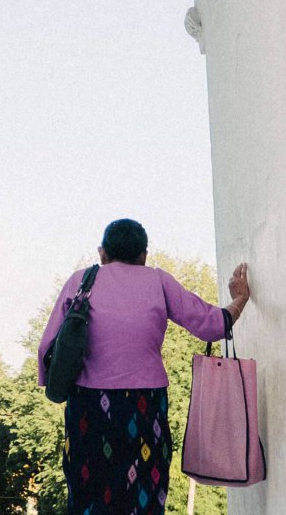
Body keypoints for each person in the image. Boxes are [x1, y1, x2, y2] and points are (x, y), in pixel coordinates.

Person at [35, 219, 250, 512]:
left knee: (89, 495)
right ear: (144, 255)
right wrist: (240, 297)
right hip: (145, 410)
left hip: (89, 410)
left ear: (102, 253)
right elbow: (213, 326)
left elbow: (46, 348)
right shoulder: (159, 281)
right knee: (144, 495)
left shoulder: (81, 281)